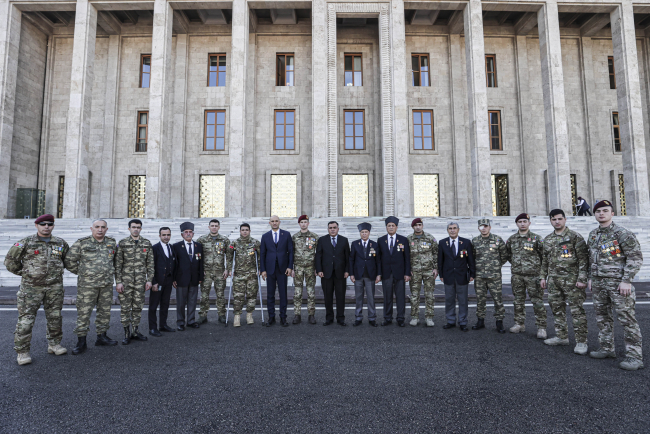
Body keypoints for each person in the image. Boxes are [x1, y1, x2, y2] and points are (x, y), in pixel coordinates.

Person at [4, 214, 69, 365]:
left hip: (54, 287)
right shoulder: (25, 242)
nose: (46, 226)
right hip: (31, 288)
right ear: (36, 225)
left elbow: (67, 261)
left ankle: (54, 344)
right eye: (43, 224)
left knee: (55, 317)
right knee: (26, 320)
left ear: (53, 226)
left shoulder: (60, 243)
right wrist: (25, 273)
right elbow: (10, 262)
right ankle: (22, 351)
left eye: (50, 224)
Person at [587, 200, 644, 370]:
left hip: (618, 284)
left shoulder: (623, 234)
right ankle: (606, 348)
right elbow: (591, 259)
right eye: (598, 211)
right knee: (602, 318)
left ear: (612, 213)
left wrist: (627, 280)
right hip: (598, 283)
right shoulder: (593, 235)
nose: (601, 214)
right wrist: (591, 277)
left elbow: (635, 258)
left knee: (627, 320)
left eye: (605, 210)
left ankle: (635, 357)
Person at [65, 219, 119, 355]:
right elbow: (69, 260)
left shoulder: (111, 243)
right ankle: (81, 341)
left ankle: (102, 337)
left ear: (106, 229)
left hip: (106, 284)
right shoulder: (82, 243)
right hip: (87, 285)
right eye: (97, 227)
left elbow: (115, 261)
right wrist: (82, 272)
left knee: (104, 312)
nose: (100, 229)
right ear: (91, 228)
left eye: (103, 227)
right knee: (84, 313)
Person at [540, 209, 589, 355]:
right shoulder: (548, 239)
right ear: (550, 220)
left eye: (560, 219)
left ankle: (581, 342)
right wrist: (543, 276)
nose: (557, 221)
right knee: (557, 309)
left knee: (577, 311)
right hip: (554, 281)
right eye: (554, 219)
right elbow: (544, 261)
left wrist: (582, 279)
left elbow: (583, 260)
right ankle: (561, 337)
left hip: (572, 281)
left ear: (565, 219)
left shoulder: (575, 237)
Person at [506, 213, 547, 338]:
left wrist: (542, 275)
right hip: (517, 275)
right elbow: (508, 255)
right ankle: (519, 324)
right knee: (518, 301)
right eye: (520, 222)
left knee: (537, 301)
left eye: (525, 221)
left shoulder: (536, 239)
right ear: (517, 224)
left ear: (529, 223)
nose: (522, 224)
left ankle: (541, 327)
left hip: (533, 276)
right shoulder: (512, 239)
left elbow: (544, 257)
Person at [115, 219, 154, 345]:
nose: (136, 229)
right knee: (125, 307)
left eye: (138, 227)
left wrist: (149, 280)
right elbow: (118, 264)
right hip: (126, 281)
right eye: (133, 227)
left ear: (141, 229)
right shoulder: (123, 243)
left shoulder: (146, 243)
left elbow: (150, 264)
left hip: (140, 282)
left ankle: (135, 331)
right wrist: (119, 282)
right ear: (129, 229)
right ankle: (126, 333)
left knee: (138, 307)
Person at [471, 218, 508, 333]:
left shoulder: (497, 239)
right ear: (478, 228)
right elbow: (472, 257)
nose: (484, 228)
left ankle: (499, 322)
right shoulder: (475, 241)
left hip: (494, 276)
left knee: (497, 299)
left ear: (490, 227)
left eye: (486, 226)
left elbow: (504, 255)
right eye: (481, 226)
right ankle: (480, 320)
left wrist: (496, 266)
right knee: (480, 299)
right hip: (480, 276)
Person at [437, 221, 474, 331]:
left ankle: (463, 321)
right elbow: (440, 261)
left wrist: (472, 273)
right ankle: (450, 320)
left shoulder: (466, 242)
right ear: (447, 230)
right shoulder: (442, 243)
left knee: (463, 300)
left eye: (454, 228)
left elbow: (470, 260)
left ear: (458, 230)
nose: (452, 230)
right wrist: (441, 274)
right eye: (450, 228)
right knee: (449, 300)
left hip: (462, 276)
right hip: (448, 276)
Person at [260, 215, 294, 327]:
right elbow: (263, 254)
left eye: (276, 221)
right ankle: (271, 317)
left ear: (279, 222)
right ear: (269, 223)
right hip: (270, 269)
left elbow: (290, 252)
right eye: (272, 221)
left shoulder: (287, 234)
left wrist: (290, 267)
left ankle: (283, 317)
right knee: (270, 294)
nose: (274, 223)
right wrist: (263, 270)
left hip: (283, 269)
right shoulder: (265, 236)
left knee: (283, 294)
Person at [377, 216, 411, 327]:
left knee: (400, 297)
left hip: (400, 273)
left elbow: (407, 258)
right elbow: (378, 259)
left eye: (393, 226)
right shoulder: (381, 240)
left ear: (396, 227)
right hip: (386, 273)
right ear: (386, 227)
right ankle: (387, 318)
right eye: (389, 226)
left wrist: (407, 273)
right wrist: (379, 273)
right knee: (387, 296)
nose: (391, 227)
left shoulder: (403, 240)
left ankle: (400, 318)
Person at [225, 223, 261, 327]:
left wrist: (260, 269)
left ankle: (249, 315)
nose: (244, 231)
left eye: (246, 230)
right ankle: (237, 316)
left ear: (249, 231)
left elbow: (260, 257)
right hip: (239, 274)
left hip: (252, 274)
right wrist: (229, 269)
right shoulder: (234, 243)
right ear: (240, 231)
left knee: (252, 296)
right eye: (243, 230)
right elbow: (229, 257)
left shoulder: (255, 243)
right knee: (238, 296)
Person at [315, 221, 350, 326]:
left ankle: (341, 318)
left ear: (338, 229)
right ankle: (329, 318)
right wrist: (319, 270)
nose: (332, 229)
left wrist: (347, 271)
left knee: (340, 297)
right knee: (328, 297)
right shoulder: (322, 240)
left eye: (334, 227)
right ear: (328, 229)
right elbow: (318, 256)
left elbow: (348, 257)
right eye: (330, 228)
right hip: (326, 274)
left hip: (340, 274)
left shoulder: (344, 240)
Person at [196, 219, 230, 324]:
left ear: (219, 227)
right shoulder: (201, 240)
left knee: (220, 294)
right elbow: (197, 256)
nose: (214, 227)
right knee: (204, 294)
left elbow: (229, 256)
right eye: (212, 225)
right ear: (209, 227)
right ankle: (202, 315)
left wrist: (227, 269)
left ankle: (221, 315)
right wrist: (200, 270)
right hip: (206, 272)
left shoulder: (224, 240)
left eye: (216, 225)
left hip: (220, 272)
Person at [172, 222, 204, 331]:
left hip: (194, 278)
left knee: (192, 301)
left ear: (193, 234)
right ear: (182, 235)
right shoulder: (176, 246)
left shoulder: (198, 246)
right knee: (181, 302)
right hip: (181, 279)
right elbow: (174, 264)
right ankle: (180, 322)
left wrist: (200, 277)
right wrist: (174, 279)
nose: (188, 234)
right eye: (186, 232)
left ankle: (191, 321)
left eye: (190, 232)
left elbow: (201, 262)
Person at [407, 218, 438, 327]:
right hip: (414, 272)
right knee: (414, 295)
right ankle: (414, 317)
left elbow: (436, 254)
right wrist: (407, 270)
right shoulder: (408, 239)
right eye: (416, 225)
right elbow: (406, 257)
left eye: (420, 224)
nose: (418, 227)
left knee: (429, 294)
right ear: (413, 227)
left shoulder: (430, 238)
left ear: (422, 226)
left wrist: (436, 268)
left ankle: (429, 317)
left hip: (428, 270)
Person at [349, 222, 381, 327]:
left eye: (366, 232)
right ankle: (358, 317)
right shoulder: (354, 244)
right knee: (359, 297)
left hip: (370, 275)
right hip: (358, 275)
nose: (364, 234)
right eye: (362, 232)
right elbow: (351, 260)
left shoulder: (375, 244)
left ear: (369, 233)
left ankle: (372, 318)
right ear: (359, 233)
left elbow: (378, 261)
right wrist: (351, 274)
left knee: (371, 297)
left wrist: (378, 274)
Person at [291, 215, 319, 324]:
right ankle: (297, 314)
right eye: (301, 222)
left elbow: (318, 254)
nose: (303, 224)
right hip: (298, 268)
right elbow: (291, 253)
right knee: (297, 293)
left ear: (308, 223)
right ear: (299, 224)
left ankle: (311, 315)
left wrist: (317, 268)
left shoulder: (314, 237)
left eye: (305, 222)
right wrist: (292, 268)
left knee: (311, 292)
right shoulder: (294, 237)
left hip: (310, 268)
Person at [149, 227, 176, 336]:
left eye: (168, 235)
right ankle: (152, 328)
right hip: (158, 282)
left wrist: (174, 279)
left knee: (165, 304)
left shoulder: (172, 247)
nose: (166, 237)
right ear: (159, 236)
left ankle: (163, 325)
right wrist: (153, 281)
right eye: (164, 235)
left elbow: (174, 264)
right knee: (153, 305)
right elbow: (151, 266)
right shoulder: (155, 248)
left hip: (168, 281)